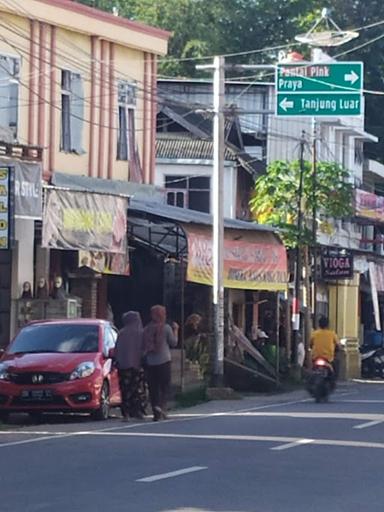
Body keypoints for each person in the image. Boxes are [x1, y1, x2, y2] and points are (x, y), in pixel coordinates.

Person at [143, 305, 178, 422]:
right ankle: (163, 409)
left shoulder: (147, 328)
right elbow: (173, 343)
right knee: (164, 387)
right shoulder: (166, 328)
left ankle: (155, 412)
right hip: (164, 361)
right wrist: (176, 330)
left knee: (153, 388)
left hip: (150, 362)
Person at [114, 311, 146, 420]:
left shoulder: (121, 333)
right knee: (137, 389)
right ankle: (137, 411)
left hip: (123, 366)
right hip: (138, 365)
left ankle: (126, 413)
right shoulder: (141, 333)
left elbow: (117, 349)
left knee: (125, 390)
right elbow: (144, 349)